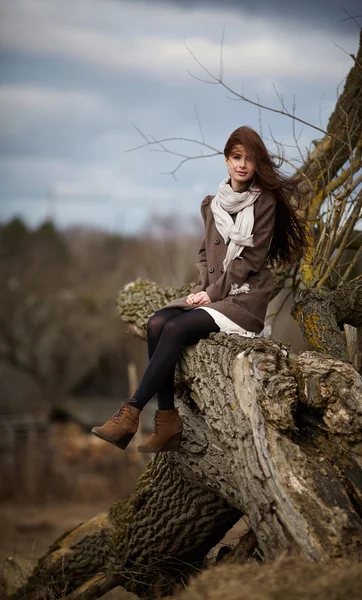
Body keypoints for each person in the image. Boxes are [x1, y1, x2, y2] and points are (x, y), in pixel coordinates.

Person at [91, 125, 308, 453]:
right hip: (213, 293)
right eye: (236, 157)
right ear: (225, 160)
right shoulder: (211, 204)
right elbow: (205, 253)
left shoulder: (263, 203)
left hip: (244, 298)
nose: (242, 165)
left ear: (256, 164)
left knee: (176, 327)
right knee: (156, 323)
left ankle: (130, 413)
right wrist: (202, 287)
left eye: (249, 159)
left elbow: (251, 256)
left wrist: (214, 292)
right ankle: (167, 421)